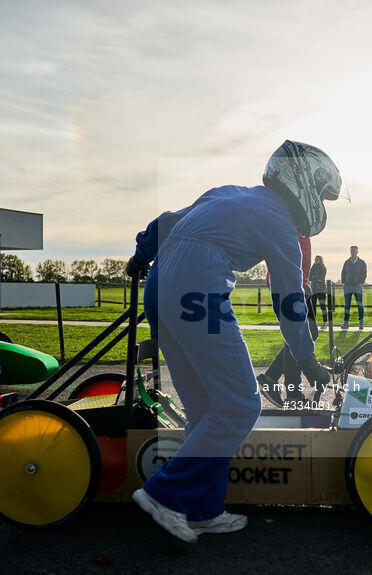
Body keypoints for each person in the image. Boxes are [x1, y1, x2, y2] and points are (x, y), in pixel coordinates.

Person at [125, 140, 343, 544]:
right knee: (242, 404)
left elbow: (168, 221)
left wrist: (142, 252)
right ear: (304, 184)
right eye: (322, 193)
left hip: (161, 285)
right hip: (197, 287)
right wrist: (307, 357)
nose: (322, 203)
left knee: (206, 408)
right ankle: (164, 494)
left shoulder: (228, 193)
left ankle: (203, 509)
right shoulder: (279, 222)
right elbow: (289, 297)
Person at [257, 235, 319, 406]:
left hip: (299, 281)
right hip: (290, 281)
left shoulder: (300, 222)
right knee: (305, 333)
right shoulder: (291, 217)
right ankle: (292, 393)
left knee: (303, 333)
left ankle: (270, 379)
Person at [340, 246, 367, 330]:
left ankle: (361, 324)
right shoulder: (347, 262)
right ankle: (346, 324)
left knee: (360, 305)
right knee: (347, 306)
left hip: (357, 287)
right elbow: (343, 273)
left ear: (357, 251)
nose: (353, 252)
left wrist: (360, 283)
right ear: (350, 252)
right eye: (351, 251)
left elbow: (364, 274)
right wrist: (343, 283)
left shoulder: (362, 262)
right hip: (347, 287)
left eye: (354, 251)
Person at [309, 255, 329, 329]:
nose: (316, 260)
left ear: (320, 260)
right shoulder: (312, 268)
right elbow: (309, 277)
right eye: (315, 259)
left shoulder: (323, 268)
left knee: (323, 306)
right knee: (312, 307)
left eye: (318, 259)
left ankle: (324, 323)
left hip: (321, 290)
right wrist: (316, 279)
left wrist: (315, 278)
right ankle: (313, 323)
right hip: (313, 290)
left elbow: (322, 278)